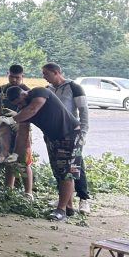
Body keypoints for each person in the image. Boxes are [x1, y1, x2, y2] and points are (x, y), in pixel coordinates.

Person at [6, 85, 81, 221]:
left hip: (69, 134)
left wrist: (13, 119)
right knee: (59, 172)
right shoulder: (22, 110)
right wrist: (16, 154)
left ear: (24, 93)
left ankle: (61, 210)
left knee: (66, 172)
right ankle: (69, 207)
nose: (20, 105)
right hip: (53, 138)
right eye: (17, 105)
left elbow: (33, 109)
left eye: (20, 101)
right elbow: (22, 135)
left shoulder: (39, 92)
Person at [42, 62, 91, 214]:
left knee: (75, 166)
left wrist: (83, 132)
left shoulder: (74, 87)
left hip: (71, 133)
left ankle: (84, 198)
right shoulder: (47, 90)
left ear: (56, 72)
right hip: (54, 135)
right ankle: (65, 200)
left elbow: (83, 110)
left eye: (46, 74)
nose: (44, 77)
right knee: (59, 167)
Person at [0, 64, 33, 199]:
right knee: (8, 159)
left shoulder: (27, 92)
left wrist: (20, 121)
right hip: (4, 129)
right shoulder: (0, 91)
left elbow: (32, 111)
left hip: (21, 129)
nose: (14, 80)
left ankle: (28, 193)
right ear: (8, 74)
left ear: (22, 76)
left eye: (17, 77)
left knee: (24, 160)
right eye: (11, 77)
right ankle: (8, 191)